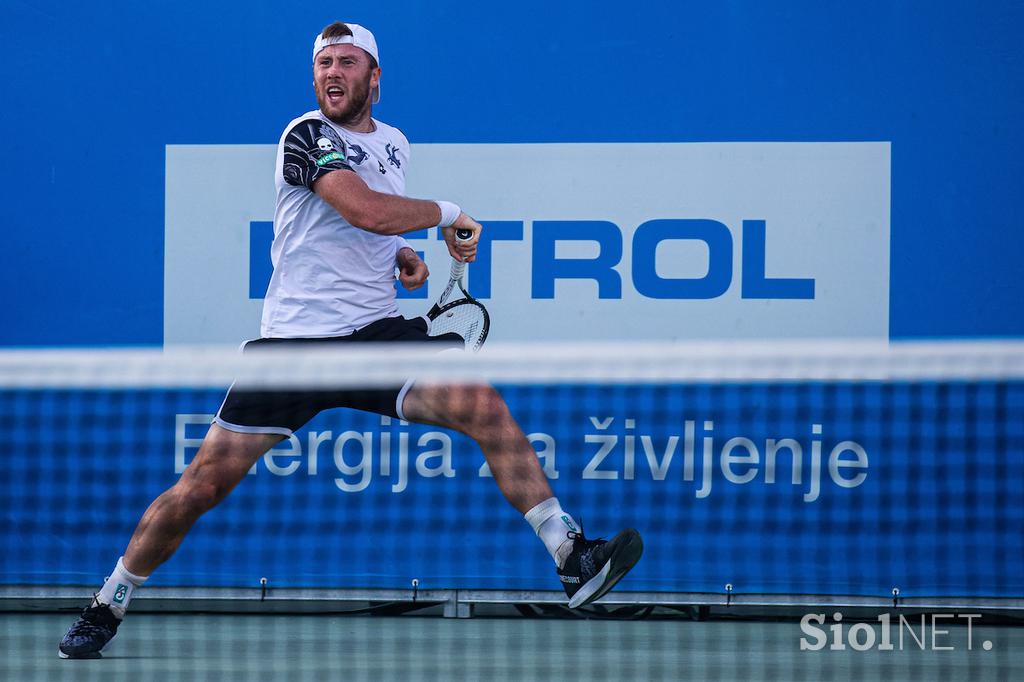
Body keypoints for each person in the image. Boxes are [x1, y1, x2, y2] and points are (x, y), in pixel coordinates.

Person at [58, 21, 642, 659]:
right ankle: (109, 600)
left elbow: (364, 225)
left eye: (346, 62)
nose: (331, 73)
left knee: (487, 409)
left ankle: (570, 553)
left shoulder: (394, 144)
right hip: (296, 348)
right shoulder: (306, 135)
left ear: (375, 78)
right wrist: (446, 213)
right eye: (323, 63)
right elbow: (360, 207)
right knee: (201, 486)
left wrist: (401, 257)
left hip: (375, 338)